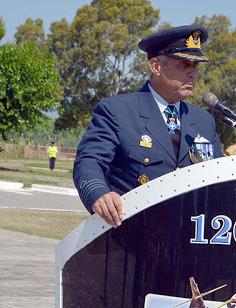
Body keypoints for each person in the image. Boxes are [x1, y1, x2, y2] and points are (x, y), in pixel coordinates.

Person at [73, 25, 223, 228]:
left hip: (188, 240)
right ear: (156, 67)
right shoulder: (117, 111)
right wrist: (99, 194)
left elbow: (219, 177)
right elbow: (89, 161)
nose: (193, 73)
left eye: (196, 66)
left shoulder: (204, 121)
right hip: (131, 236)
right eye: (184, 64)